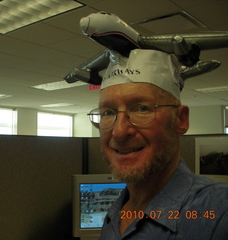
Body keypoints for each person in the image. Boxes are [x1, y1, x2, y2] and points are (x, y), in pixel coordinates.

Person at [87, 49, 228, 239]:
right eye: (108, 112)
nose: (119, 131)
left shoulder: (218, 214)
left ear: (180, 120)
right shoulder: (115, 214)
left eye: (142, 109)